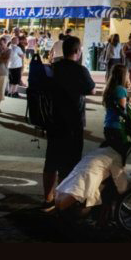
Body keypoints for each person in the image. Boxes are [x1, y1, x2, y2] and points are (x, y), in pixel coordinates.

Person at [43, 35, 97, 205]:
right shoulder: (80, 70)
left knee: (51, 161)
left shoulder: (54, 68)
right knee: (71, 162)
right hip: (74, 123)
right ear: (76, 51)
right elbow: (92, 90)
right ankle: (62, 198)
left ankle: (47, 198)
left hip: (54, 120)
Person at [101, 64, 130, 161]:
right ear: (123, 76)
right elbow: (122, 109)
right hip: (117, 127)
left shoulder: (109, 88)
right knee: (119, 158)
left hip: (108, 125)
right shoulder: (121, 90)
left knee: (109, 157)